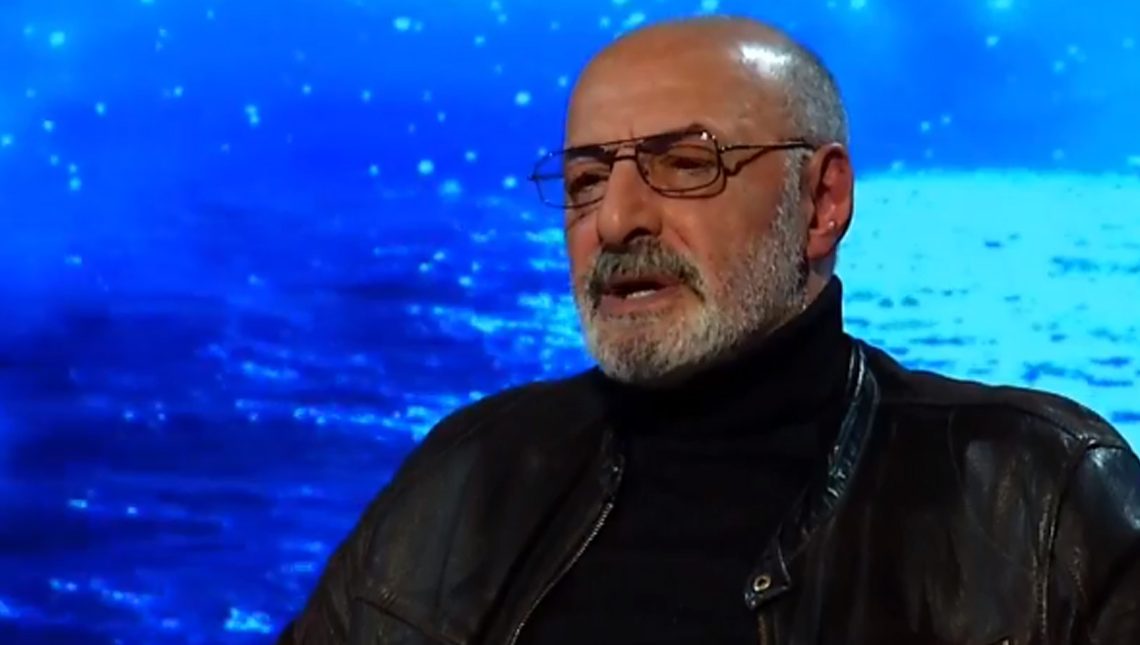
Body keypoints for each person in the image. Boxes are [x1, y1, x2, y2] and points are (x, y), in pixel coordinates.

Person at [279, 15, 1140, 645]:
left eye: (685, 164)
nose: (616, 218)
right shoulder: (466, 478)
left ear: (822, 202)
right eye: (585, 181)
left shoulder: (1041, 498)